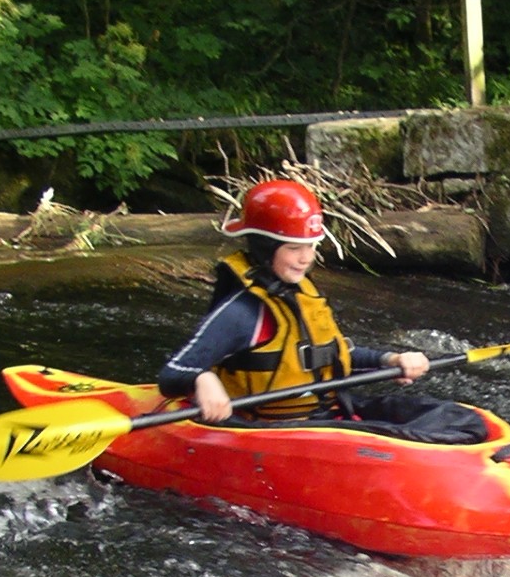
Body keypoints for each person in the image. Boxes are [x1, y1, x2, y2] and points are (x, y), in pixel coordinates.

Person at [158, 179, 431, 423]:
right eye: (294, 248)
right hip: (266, 430)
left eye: (311, 245)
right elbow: (172, 373)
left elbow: (331, 355)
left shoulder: (300, 292)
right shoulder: (242, 313)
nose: (306, 258)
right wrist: (201, 379)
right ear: (265, 248)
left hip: (323, 417)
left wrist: (390, 360)